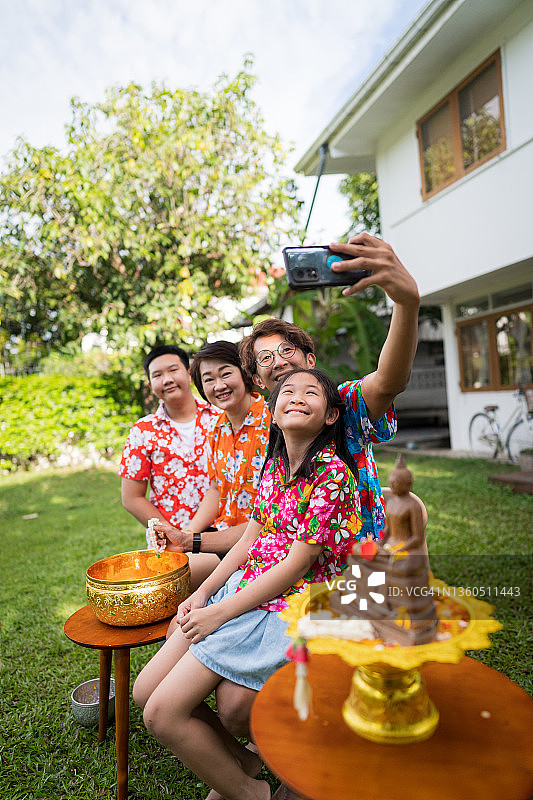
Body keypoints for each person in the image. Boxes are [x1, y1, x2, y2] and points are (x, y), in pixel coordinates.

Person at [133, 368, 362, 800]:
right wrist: (203, 594)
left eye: (310, 393)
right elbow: (249, 540)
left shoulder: (334, 476)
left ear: (331, 415)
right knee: (144, 692)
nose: (297, 397)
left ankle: (248, 792)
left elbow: (295, 567)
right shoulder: (275, 466)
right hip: (242, 589)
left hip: (281, 605)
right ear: (272, 412)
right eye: (287, 391)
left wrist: (218, 614)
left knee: (161, 715)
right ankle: (243, 763)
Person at [239, 231, 420, 544]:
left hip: (354, 561)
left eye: (286, 350)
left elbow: (388, 382)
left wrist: (406, 303)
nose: (278, 362)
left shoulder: (340, 403)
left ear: (310, 360)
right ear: (257, 381)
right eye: (265, 358)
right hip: (283, 562)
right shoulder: (266, 425)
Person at [151, 341, 270, 633]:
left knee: (176, 612)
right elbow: (216, 491)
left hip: (258, 546)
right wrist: (182, 539)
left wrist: (190, 540)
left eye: (225, 373)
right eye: (208, 379)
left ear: (245, 372)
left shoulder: (273, 421)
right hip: (221, 541)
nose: (219, 385)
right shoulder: (216, 428)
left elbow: (270, 519)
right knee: (162, 576)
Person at [118, 344, 219, 588]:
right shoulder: (143, 431)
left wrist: (189, 537)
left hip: (223, 532)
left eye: (173, 370)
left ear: (188, 373)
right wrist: (172, 536)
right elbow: (131, 498)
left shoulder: (220, 418)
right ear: (150, 384)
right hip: (169, 542)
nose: (167, 380)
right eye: (157, 375)